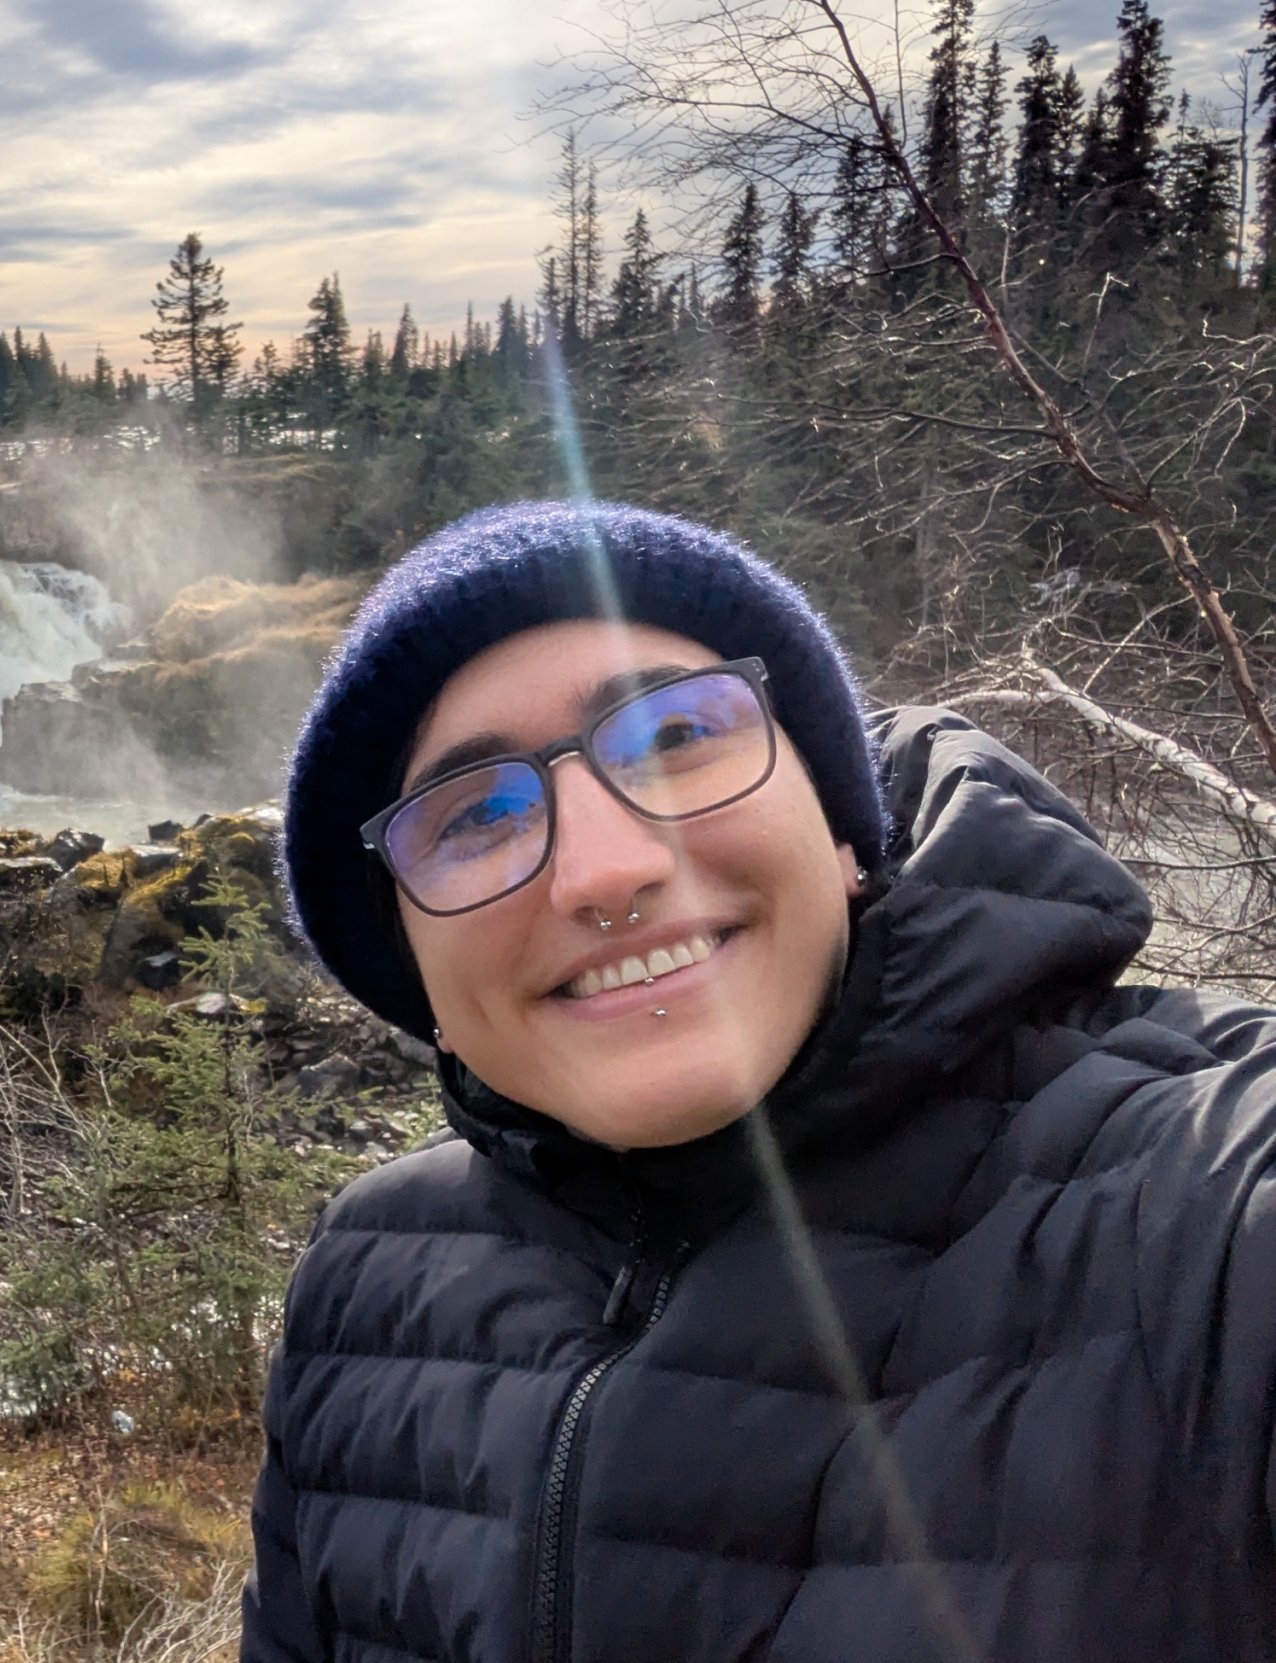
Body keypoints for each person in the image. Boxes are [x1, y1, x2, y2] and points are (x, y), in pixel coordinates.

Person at [248, 500, 1276, 1663]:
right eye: (476, 815)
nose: (606, 870)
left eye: (679, 737)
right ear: (415, 977)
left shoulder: (1200, 1200)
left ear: (843, 830)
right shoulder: (358, 1291)